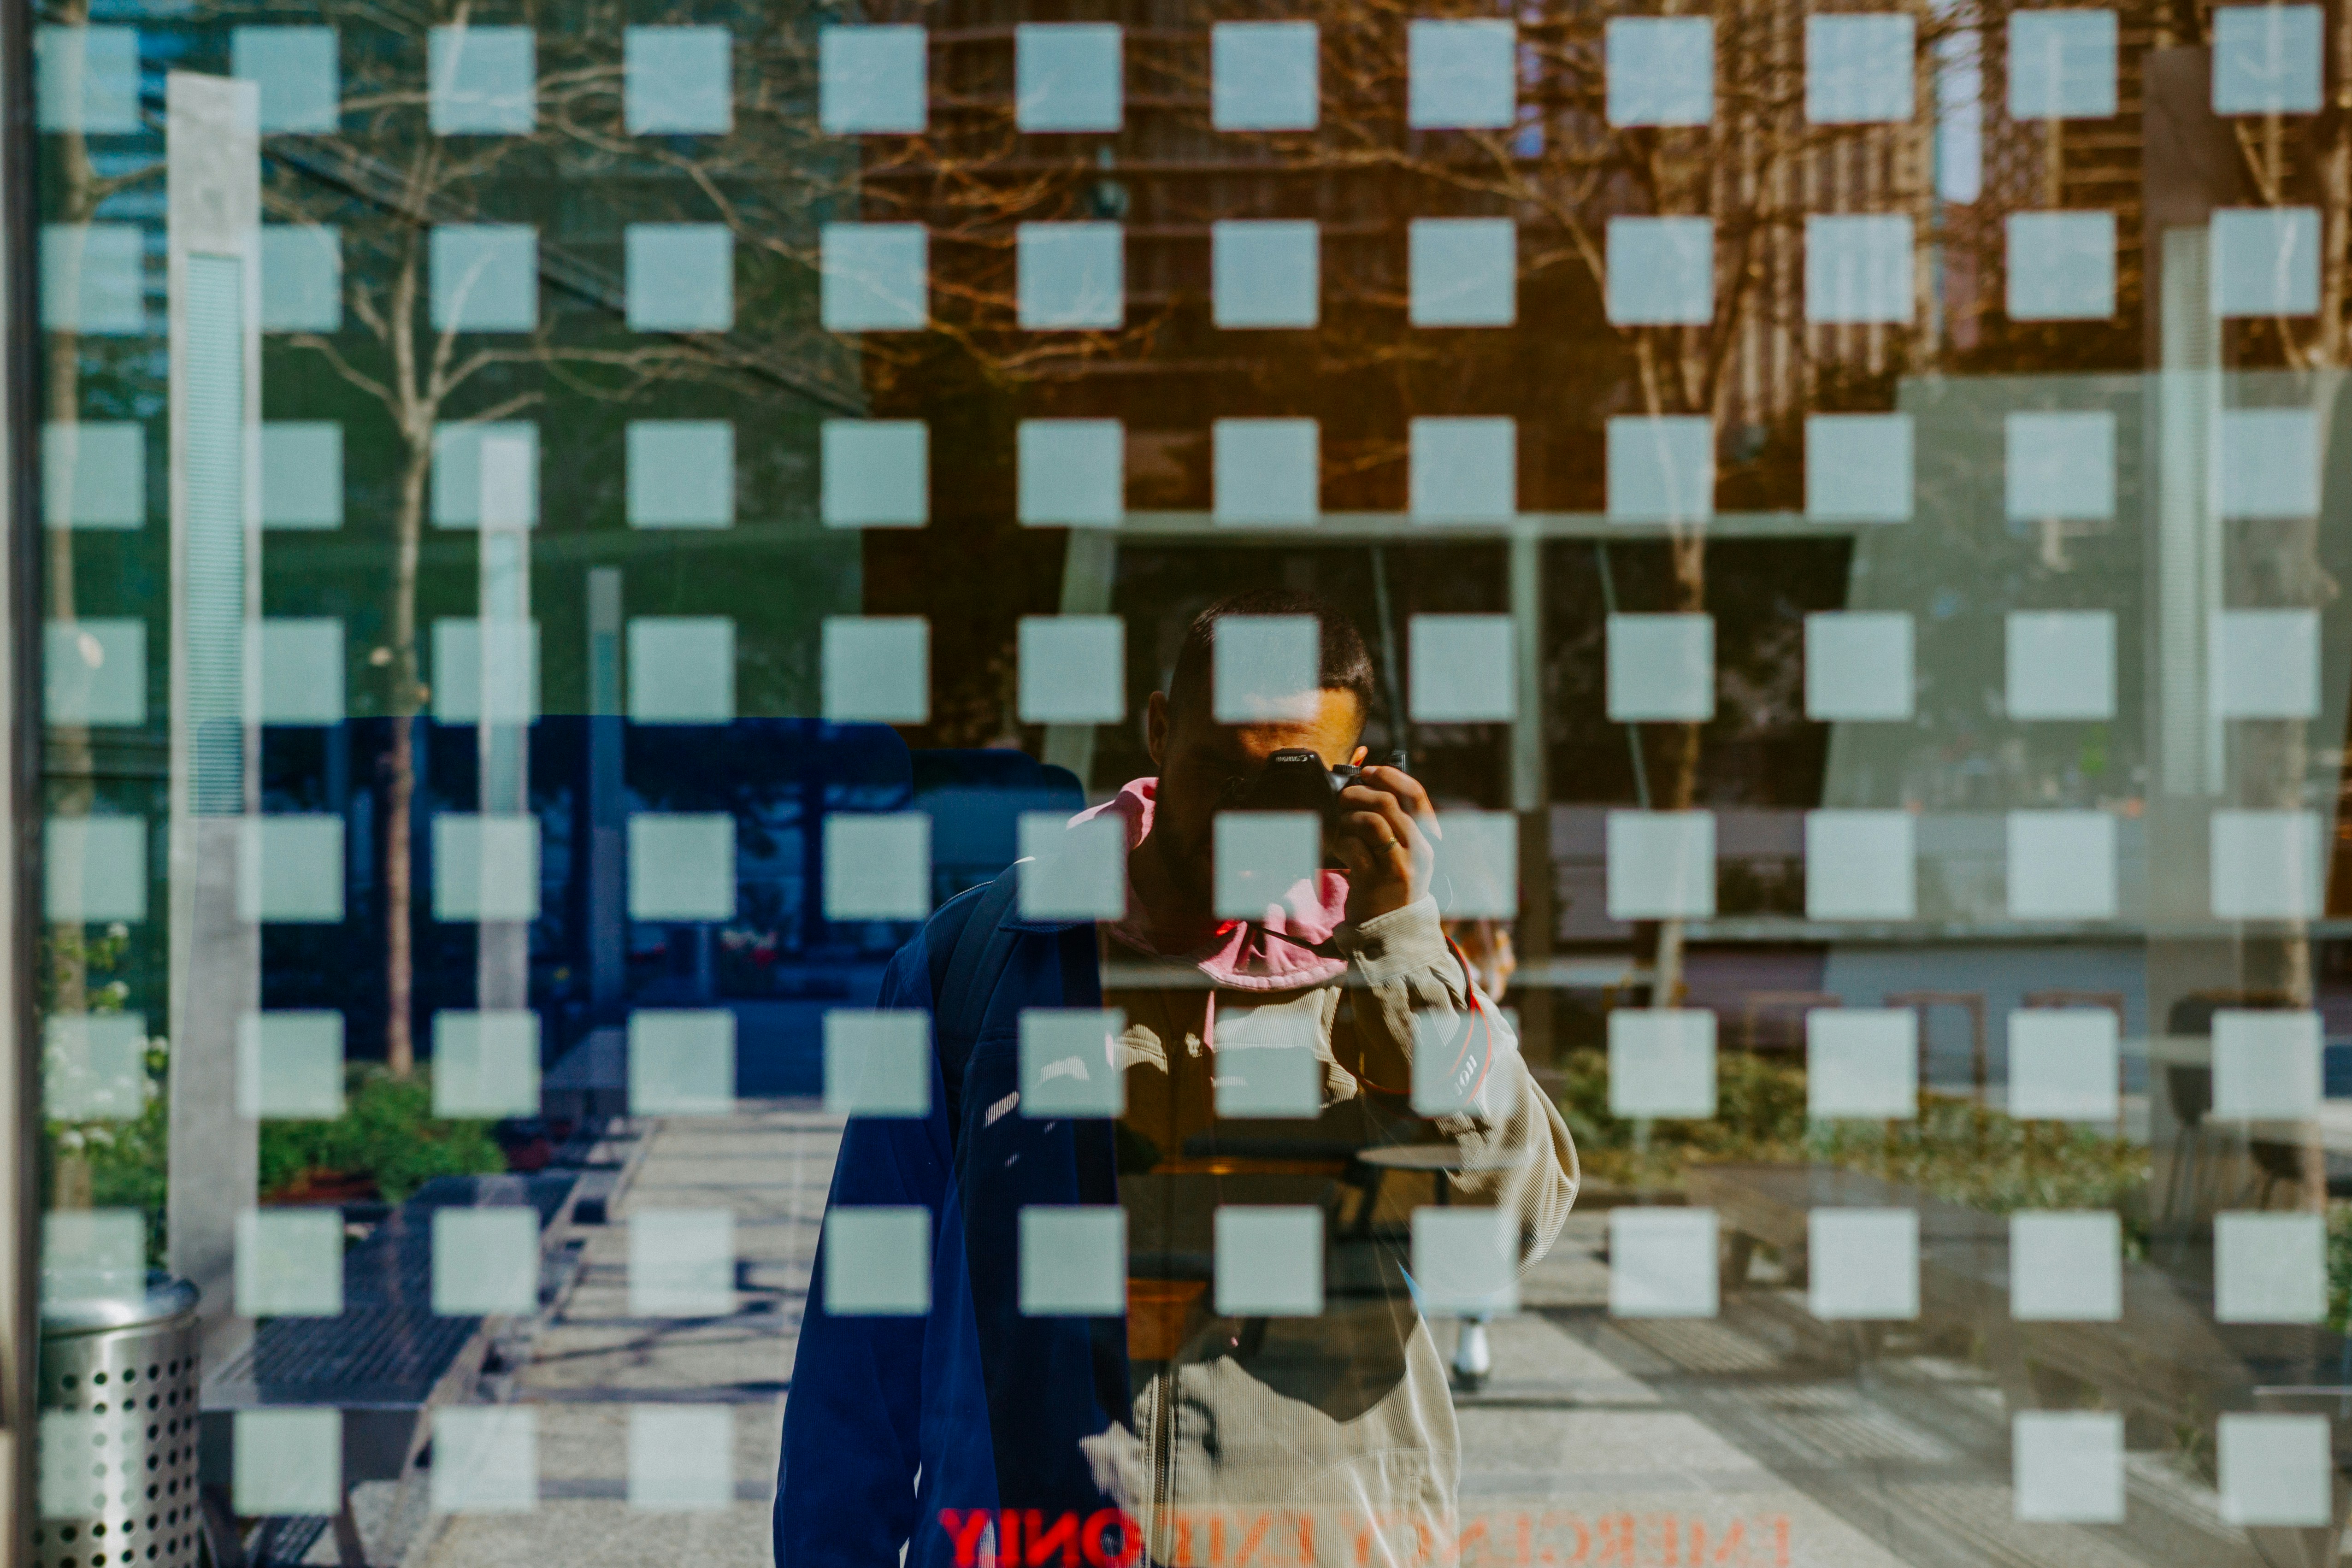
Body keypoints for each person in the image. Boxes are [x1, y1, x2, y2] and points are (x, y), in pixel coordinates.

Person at [777, 588, 1576, 1568]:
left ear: (1350, 779)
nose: (1241, 825)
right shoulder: (982, 957)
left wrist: (1403, 953)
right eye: (1216, 772)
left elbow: (1505, 1230)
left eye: (1287, 784)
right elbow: (865, 1312)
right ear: (1159, 729)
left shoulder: (1387, 968)